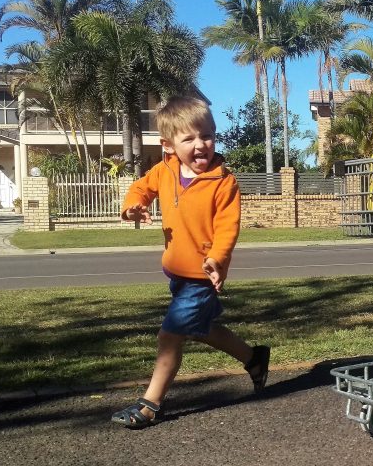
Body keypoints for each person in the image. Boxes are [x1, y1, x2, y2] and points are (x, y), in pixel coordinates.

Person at [111, 96, 270, 428]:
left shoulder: (223, 181)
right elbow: (140, 188)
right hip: (177, 272)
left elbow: (228, 227)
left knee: (170, 335)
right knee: (202, 329)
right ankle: (254, 358)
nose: (201, 145)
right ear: (168, 145)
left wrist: (216, 258)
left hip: (202, 274)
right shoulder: (165, 170)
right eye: (189, 139)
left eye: (207, 136)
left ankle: (150, 404)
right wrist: (132, 206)